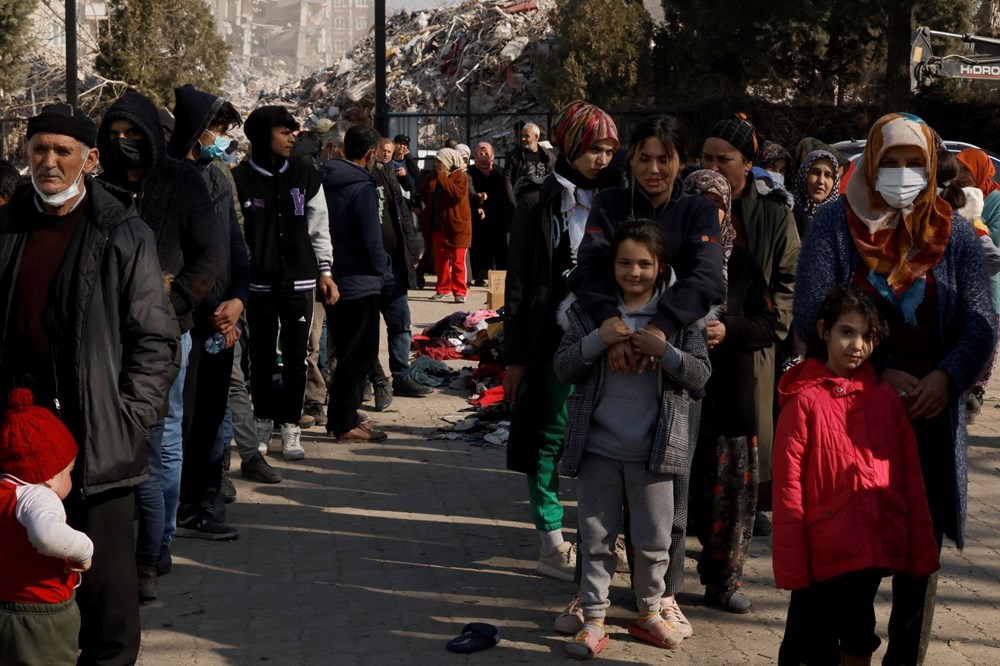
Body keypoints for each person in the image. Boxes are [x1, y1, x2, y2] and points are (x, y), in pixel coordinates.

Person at [793, 112, 996, 665]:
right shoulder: (837, 222)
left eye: (915, 163)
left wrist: (946, 377)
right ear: (870, 164)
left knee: (918, 554)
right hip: (854, 419)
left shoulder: (951, 231)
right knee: (850, 546)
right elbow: (811, 314)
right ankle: (849, 650)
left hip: (931, 415)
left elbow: (980, 320)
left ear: (932, 169)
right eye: (892, 162)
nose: (903, 173)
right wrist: (876, 376)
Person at [0, 103, 177, 664]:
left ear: (89, 159)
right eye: (39, 150)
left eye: (63, 151)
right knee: (20, 580)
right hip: (19, 434)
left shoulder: (122, 231)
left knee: (108, 595)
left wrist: (128, 419)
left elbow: (155, 338)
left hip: (97, 436)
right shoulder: (8, 224)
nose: (49, 162)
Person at [563, 113, 723, 637]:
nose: (654, 169)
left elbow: (705, 278)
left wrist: (655, 331)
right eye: (645, 158)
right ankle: (593, 601)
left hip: (668, 366)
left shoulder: (698, 208)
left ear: (682, 160)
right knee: (597, 518)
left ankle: (663, 597)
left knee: (667, 502)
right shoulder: (610, 203)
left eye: (665, 158)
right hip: (609, 362)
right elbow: (588, 268)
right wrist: (610, 325)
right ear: (630, 160)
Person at [553, 220, 711, 657]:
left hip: (656, 452)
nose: (634, 272)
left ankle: (648, 613)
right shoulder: (589, 313)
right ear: (612, 265)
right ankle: (595, 617)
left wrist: (665, 351)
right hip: (597, 449)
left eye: (645, 264)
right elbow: (563, 367)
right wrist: (598, 341)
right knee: (595, 537)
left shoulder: (681, 318)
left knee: (655, 539)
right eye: (625, 262)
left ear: (661, 267)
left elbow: (700, 377)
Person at [774, 285, 940, 666]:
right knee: (808, 644)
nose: (856, 345)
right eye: (846, 332)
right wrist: (794, 565)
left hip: (869, 549)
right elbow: (788, 493)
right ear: (823, 331)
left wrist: (920, 548)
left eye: (867, 337)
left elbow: (910, 479)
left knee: (859, 637)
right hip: (821, 553)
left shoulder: (885, 400)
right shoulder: (804, 402)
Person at [97, 91, 226, 569]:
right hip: (107, 335)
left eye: (132, 134)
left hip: (170, 331)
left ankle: (159, 540)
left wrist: (168, 305)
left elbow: (209, 256)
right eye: (114, 135)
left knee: (162, 436)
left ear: (151, 134)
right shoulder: (99, 189)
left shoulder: (183, 181)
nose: (123, 143)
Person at [504, 100, 621, 585]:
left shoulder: (617, 199)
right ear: (571, 145)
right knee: (549, 434)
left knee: (609, 438)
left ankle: (604, 538)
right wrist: (513, 357)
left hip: (611, 337)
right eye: (595, 148)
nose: (603, 159)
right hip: (552, 340)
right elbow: (520, 283)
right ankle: (551, 540)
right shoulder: (537, 201)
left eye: (611, 149)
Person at [701, 113, 800, 536]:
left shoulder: (774, 216)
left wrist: (748, 328)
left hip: (749, 350)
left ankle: (736, 532)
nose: (713, 167)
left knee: (742, 451)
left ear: (747, 163)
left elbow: (787, 286)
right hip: (689, 350)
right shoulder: (688, 204)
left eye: (724, 159)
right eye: (705, 157)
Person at [165, 83, 253, 550]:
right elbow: (177, 257)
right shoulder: (171, 177)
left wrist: (238, 299)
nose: (220, 137)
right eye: (216, 128)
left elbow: (234, 245)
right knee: (184, 418)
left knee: (213, 414)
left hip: (223, 318)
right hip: (187, 319)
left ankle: (205, 501)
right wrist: (210, 308)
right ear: (196, 129)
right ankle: (179, 506)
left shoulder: (218, 176)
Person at [684, 169, 775, 614]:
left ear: (727, 208)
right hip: (676, 396)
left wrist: (730, 327)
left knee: (730, 499)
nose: (708, 212)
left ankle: (722, 581)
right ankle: (660, 585)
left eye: (715, 204)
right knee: (673, 494)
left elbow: (768, 324)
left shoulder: (742, 261)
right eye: (698, 202)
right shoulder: (665, 254)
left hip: (730, 396)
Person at [233, 106, 338, 460]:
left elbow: (318, 223)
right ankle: (263, 421)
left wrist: (325, 271)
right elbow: (236, 233)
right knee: (261, 357)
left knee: (297, 355)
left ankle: (292, 426)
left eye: (294, 131)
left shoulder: (305, 173)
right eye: (285, 131)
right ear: (264, 136)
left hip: (300, 279)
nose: (293, 137)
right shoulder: (242, 177)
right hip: (259, 284)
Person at [0, 388, 94, 666]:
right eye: (69, 471)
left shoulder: (6, 491)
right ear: (50, 475)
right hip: (41, 617)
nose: (71, 478)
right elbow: (47, 535)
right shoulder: (39, 497)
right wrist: (85, 550)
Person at [319, 125, 391, 442]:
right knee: (357, 355)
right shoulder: (362, 187)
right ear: (371, 153)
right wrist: (384, 269)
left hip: (334, 279)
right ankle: (345, 423)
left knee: (345, 353)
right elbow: (371, 240)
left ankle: (342, 416)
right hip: (360, 284)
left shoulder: (325, 181)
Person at [370, 136, 430, 401]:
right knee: (367, 327)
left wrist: (412, 252)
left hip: (394, 267)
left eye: (389, 151)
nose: (385, 154)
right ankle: (371, 378)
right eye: (382, 150)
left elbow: (404, 216)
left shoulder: (392, 178)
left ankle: (401, 376)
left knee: (400, 323)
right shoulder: (363, 178)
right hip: (369, 268)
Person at [955, 147, 1000, 416]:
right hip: (962, 280)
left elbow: (995, 241)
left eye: (966, 170)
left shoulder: (996, 200)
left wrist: (973, 218)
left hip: (991, 282)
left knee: (988, 335)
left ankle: (978, 391)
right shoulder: (956, 194)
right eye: (959, 169)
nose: (961, 175)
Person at [420, 147, 472, 303]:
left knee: (457, 261)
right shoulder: (433, 177)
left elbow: (456, 195)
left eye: (439, 161)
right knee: (440, 260)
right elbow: (423, 193)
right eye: (436, 161)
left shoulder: (461, 177)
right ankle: (443, 288)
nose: (436, 164)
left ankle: (459, 291)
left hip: (456, 227)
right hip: (438, 225)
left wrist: (443, 176)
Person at [468, 141, 511, 285]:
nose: (484, 156)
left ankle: (502, 277)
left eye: (486, 153)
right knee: (479, 246)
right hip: (478, 215)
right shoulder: (471, 172)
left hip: (497, 215)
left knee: (499, 247)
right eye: (481, 153)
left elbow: (505, 192)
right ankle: (479, 276)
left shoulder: (498, 171)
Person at [503, 121, 557, 207]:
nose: (523, 139)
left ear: (536, 137)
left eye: (526, 136)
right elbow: (507, 179)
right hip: (522, 206)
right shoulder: (514, 156)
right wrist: (514, 203)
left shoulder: (548, 157)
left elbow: (554, 177)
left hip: (543, 205)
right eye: (522, 136)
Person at [792, 149, 841, 237]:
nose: (821, 181)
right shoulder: (788, 211)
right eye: (815, 173)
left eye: (828, 175)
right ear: (804, 174)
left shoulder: (840, 220)